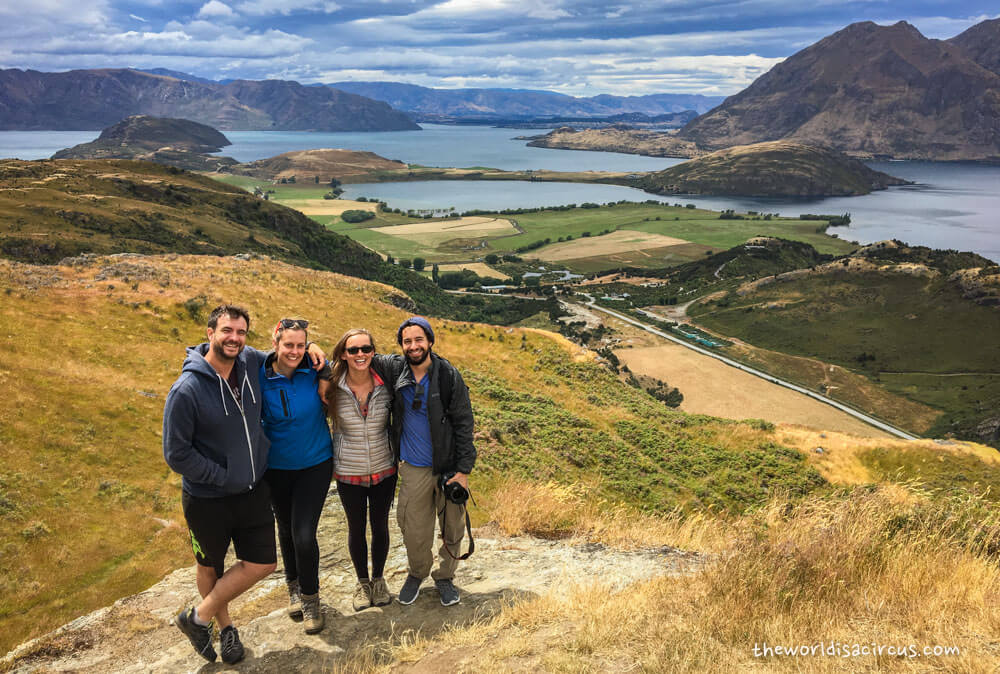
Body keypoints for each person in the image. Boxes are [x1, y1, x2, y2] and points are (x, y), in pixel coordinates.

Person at [163, 305, 325, 664]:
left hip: (252, 490)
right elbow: (176, 453)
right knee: (211, 567)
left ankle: (197, 618)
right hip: (207, 497)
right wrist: (222, 477)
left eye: (240, 332)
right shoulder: (186, 389)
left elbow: (286, 352)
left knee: (263, 563)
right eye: (226, 331)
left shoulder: (251, 363)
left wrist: (315, 351)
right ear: (210, 334)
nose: (234, 338)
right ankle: (225, 629)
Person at [371, 316, 476, 607]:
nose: (414, 346)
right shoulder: (394, 368)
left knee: (453, 527)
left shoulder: (448, 376)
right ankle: (417, 573)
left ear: (430, 341)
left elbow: (465, 423)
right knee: (414, 529)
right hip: (414, 468)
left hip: (449, 468)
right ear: (401, 345)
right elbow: (358, 354)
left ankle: (445, 577)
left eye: (419, 340)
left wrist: (463, 471)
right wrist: (314, 350)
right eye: (407, 341)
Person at [260, 318, 333, 634]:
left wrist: (322, 360)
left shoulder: (315, 368)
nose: (294, 351)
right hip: (276, 467)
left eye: (301, 345)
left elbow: (340, 364)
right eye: (288, 344)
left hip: (315, 463)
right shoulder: (258, 375)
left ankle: (310, 598)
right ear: (275, 343)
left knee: (304, 533)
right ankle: (293, 585)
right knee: (286, 529)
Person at [326, 328, 397, 611]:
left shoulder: (386, 383)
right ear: (343, 353)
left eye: (366, 349)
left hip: (384, 466)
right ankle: (362, 582)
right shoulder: (331, 385)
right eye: (353, 350)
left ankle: (378, 580)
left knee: (380, 526)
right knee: (356, 528)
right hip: (348, 469)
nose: (360, 355)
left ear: (373, 352)